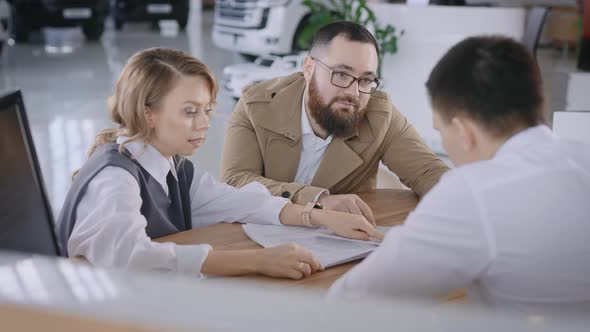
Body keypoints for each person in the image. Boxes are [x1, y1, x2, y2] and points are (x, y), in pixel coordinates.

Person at [57, 48, 382, 280]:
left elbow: (240, 202)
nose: (204, 124)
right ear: (147, 112)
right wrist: (257, 260)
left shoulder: (173, 168)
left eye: (207, 110)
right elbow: (131, 258)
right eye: (189, 111)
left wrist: (320, 218)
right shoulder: (115, 179)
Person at [328, 36, 590, 315]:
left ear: (464, 132)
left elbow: (349, 302)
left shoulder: (474, 192)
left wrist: (406, 241)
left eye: (440, 131)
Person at [220, 21, 449, 224]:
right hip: (260, 237)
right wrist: (318, 200)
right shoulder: (256, 105)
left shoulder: (380, 115)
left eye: (366, 79)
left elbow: (429, 173)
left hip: (342, 243)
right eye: (341, 74)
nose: (354, 92)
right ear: (308, 68)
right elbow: (235, 182)